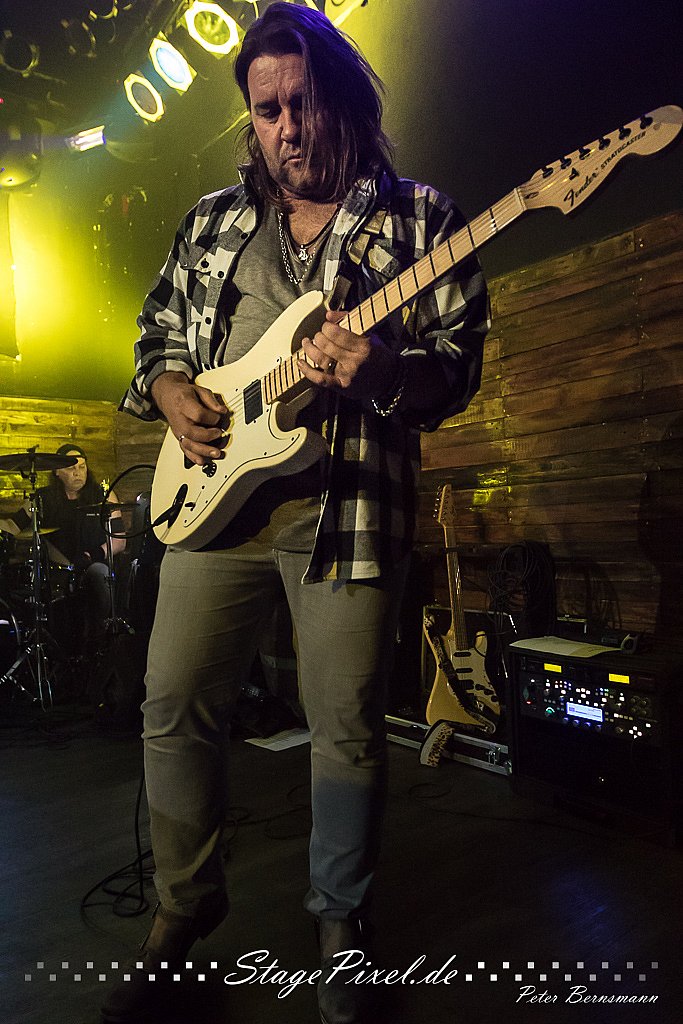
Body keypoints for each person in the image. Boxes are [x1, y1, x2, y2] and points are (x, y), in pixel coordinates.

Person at [103, 5, 488, 1023]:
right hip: (211, 502)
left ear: (342, 100)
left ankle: (340, 930)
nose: (285, 128)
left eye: (302, 103)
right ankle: (182, 908)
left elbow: (457, 369)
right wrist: (169, 387)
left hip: (346, 511)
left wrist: (384, 370)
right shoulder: (212, 221)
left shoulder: (422, 219)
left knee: (346, 731)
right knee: (172, 706)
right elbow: (154, 332)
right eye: (266, 110)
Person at [0, 444, 126, 651]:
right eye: (71, 468)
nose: (78, 472)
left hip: (91, 563)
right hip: (55, 569)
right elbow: (13, 526)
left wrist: (91, 556)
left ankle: (98, 643)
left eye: (82, 467)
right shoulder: (42, 498)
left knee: (99, 574)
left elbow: (119, 540)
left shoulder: (104, 495)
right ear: (57, 471)